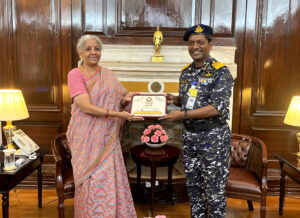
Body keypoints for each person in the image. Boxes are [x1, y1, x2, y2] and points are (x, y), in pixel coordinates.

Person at [159, 24, 234, 217]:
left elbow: (217, 108)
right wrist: (174, 99)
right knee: (193, 188)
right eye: (191, 43)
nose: (195, 47)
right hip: (190, 137)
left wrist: (182, 115)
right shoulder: (186, 72)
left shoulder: (220, 71)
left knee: (214, 191)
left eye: (200, 42)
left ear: (210, 44)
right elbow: (189, 100)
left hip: (213, 137)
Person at [66, 34, 143, 217]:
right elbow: (85, 106)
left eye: (97, 48)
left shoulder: (108, 74)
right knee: (91, 178)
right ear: (80, 52)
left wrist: (133, 100)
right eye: (88, 49)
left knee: (107, 178)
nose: (93, 52)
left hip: (107, 137)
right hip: (84, 137)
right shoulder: (74, 74)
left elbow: (122, 98)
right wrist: (118, 114)